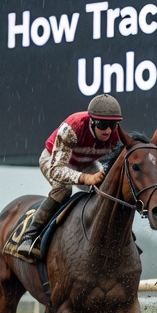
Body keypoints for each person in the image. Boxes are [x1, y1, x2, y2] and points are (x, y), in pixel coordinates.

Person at [16, 94, 123, 260]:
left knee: (106, 190)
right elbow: (56, 169)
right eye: (103, 124)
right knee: (63, 189)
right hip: (54, 159)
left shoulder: (116, 136)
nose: (108, 130)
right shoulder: (72, 127)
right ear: (92, 121)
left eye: (113, 124)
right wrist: (85, 179)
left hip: (86, 162)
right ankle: (29, 236)